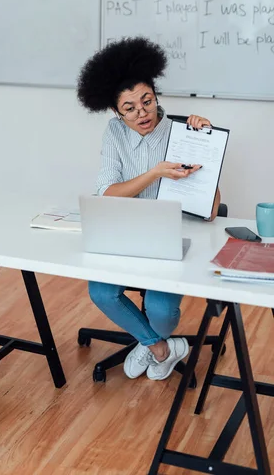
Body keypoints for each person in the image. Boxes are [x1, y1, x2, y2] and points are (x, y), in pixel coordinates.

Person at [77, 37, 220, 381]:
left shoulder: (185, 132)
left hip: (173, 237)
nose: (142, 113)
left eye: (147, 101)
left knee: (161, 310)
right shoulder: (114, 133)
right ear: (115, 111)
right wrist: (155, 171)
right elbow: (108, 193)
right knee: (101, 291)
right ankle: (161, 348)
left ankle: (151, 340)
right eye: (129, 108)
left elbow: (212, 211)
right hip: (127, 233)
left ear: (156, 95)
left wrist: (207, 147)